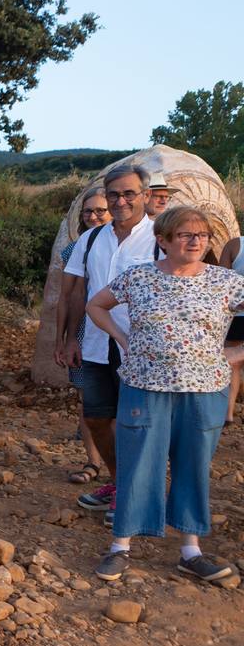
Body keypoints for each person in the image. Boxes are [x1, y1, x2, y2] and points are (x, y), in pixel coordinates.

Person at [85, 206, 244, 583]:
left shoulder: (225, 282)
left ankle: (190, 551)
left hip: (204, 390)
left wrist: (235, 354)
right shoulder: (139, 278)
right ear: (163, 240)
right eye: (186, 235)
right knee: (138, 464)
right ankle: (120, 547)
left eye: (202, 235)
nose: (196, 241)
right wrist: (122, 338)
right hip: (144, 386)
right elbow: (95, 305)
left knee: (193, 467)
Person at [57, 165, 158, 522]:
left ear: (145, 196)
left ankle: (136, 497)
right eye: (114, 194)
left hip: (143, 349)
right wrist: (70, 338)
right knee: (97, 419)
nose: (120, 201)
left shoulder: (160, 238)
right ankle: (119, 484)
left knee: (137, 422)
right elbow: (76, 292)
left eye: (129, 193)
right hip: (98, 344)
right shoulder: (91, 240)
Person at [53, 187, 111, 484]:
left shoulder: (133, 246)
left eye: (100, 210)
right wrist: (64, 338)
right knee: (89, 401)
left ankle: (120, 471)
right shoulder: (76, 249)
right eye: (88, 211)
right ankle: (93, 462)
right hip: (86, 331)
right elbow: (69, 295)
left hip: (121, 333)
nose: (93, 216)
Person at [219, 232, 244, 423]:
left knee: (232, 363)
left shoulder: (235, 245)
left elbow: (221, 281)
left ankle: (228, 413)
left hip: (236, 313)